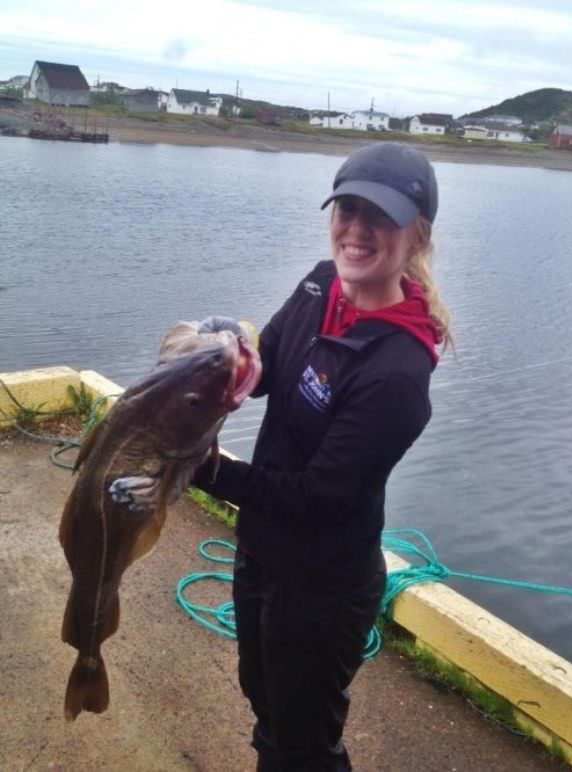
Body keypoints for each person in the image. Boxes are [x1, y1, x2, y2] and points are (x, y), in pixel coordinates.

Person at [111, 141, 451, 770]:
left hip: (323, 583)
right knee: (263, 698)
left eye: (379, 217)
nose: (356, 230)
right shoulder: (322, 284)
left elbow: (317, 499)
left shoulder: (396, 375)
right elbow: (268, 361)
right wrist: (225, 356)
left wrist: (197, 466)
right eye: (347, 209)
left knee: (302, 742)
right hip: (263, 550)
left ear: (417, 236)